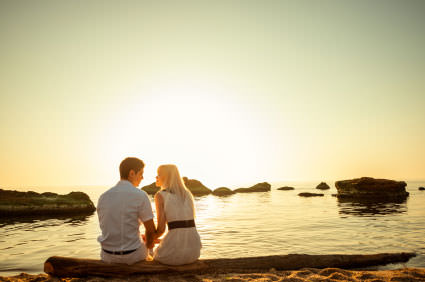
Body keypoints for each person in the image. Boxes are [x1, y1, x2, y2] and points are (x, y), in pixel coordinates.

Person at [97, 157, 156, 264]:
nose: (142, 177)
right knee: (150, 243)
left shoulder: (103, 197)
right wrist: (148, 244)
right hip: (133, 256)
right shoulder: (140, 195)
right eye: (141, 173)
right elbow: (151, 230)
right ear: (132, 173)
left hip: (107, 256)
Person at [152, 164, 202, 265]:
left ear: (166, 177)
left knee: (148, 250)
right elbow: (181, 229)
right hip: (194, 252)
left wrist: (150, 238)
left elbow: (161, 230)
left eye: (158, 175)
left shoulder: (160, 195)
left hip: (172, 255)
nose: (156, 177)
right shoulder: (187, 194)